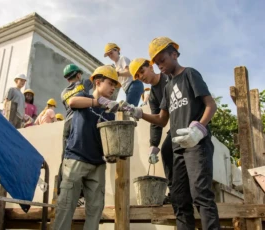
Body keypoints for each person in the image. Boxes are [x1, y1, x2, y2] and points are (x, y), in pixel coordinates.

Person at [123, 37, 220, 230]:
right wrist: (140, 114)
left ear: (174, 55)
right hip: (178, 149)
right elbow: (161, 120)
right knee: (179, 198)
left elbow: (211, 105)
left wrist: (199, 129)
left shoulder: (190, 74)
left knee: (200, 194)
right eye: (157, 63)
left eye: (162, 61)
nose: (160, 66)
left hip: (196, 145)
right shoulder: (167, 88)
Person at [53, 65, 121, 230]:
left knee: (95, 210)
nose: (113, 88)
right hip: (76, 159)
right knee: (66, 207)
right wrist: (98, 102)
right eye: (111, 83)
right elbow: (72, 102)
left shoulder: (109, 113)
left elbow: (107, 138)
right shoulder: (83, 96)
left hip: (97, 164)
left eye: (115, 85)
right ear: (98, 82)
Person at [129, 58, 173, 204]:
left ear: (151, 67)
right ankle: (174, 193)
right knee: (167, 151)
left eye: (142, 71)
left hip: (190, 121)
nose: (141, 76)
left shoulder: (169, 78)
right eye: (138, 76)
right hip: (176, 126)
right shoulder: (153, 94)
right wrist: (153, 146)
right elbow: (157, 121)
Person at [57, 64, 93, 200]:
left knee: (65, 157)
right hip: (79, 122)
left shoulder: (63, 93)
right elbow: (96, 79)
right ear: (78, 75)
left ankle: (62, 190)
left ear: (67, 79)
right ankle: (81, 195)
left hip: (67, 123)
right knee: (81, 156)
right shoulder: (83, 84)